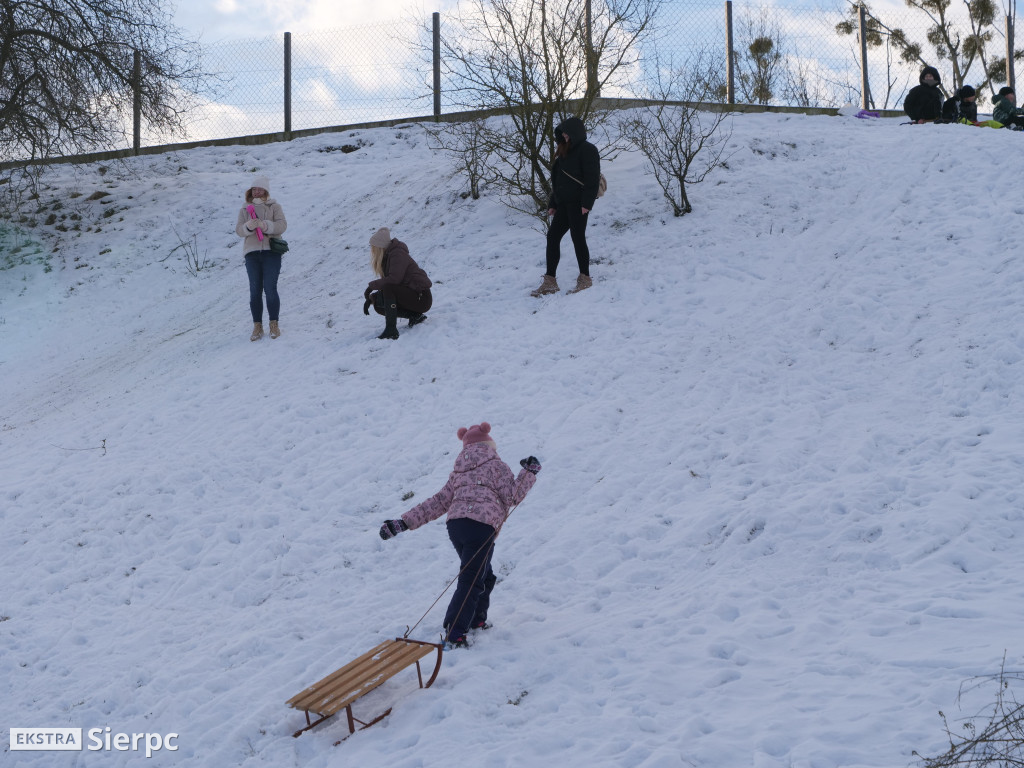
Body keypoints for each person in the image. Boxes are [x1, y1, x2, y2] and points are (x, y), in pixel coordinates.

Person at [378, 422, 541, 649]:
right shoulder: (497, 466)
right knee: (472, 578)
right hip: (481, 526)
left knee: (484, 575)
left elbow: (437, 502)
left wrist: (403, 522)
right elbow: (513, 496)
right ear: (489, 446)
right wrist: (529, 472)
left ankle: (477, 619)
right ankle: (454, 632)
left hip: (457, 527)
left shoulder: (458, 473)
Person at [531, 116, 602, 297]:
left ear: (575, 131)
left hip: (579, 204)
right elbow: (558, 180)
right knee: (552, 236)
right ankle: (550, 281)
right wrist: (553, 203)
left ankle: (585, 278)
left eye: (566, 131)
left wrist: (587, 204)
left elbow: (592, 179)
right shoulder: (564, 150)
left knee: (577, 238)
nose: (563, 135)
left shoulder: (588, 150)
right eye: (562, 132)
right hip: (563, 203)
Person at [235, 176, 287, 341]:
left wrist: (265, 225)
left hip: (271, 252)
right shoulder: (245, 209)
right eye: (254, 189)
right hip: (252, 253)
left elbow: (282, 225)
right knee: (254, 291)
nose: (256, 192)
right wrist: (248, 227)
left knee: (270, 288)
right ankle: (257, 326)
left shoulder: (275, 206)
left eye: (259, 189)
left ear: (266, 190)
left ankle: (274, 324)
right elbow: (238, 230)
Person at [363, 228, 432, 340]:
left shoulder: (397, 254)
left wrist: (371, 287)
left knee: (388, 288)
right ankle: (415, 316)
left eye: (373, 247)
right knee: (378, 304)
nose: (372, 250)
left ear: (379, 247)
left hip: (422, 298)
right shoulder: (388, 257)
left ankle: (391, 330)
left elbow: (394, 280)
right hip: (412, 296)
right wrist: (372, 299)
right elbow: (392, 287)